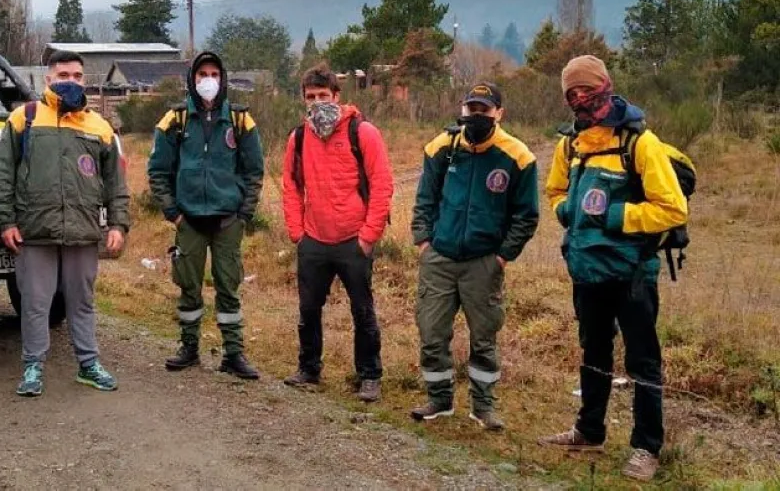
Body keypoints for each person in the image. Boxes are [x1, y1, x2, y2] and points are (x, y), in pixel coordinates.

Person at [538, 55, 688, 482]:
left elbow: (673, 209)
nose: (581, 99)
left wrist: (618, 217)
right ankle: (589, 431)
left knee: (643, 361)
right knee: (594, 352)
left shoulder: (640, 142)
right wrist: (567, 210)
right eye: (572, 93)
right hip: (586, 269)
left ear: (606, 84)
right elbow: (555, 190)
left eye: (587, 89)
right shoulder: (570, 143)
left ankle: (646, 448)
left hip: (633, 272)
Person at [0, 50, 131, 397]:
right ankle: (33, 366)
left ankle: (88, 365)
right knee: (36, 303)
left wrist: (117, 224)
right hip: (36, 232)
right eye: (64, 75)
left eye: (78, 76)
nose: (71, 82)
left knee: (82, 302)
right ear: (48, 78)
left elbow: (115, 183)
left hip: (82, 231)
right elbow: (2, 176)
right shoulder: (26, 119)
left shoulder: (98, 126)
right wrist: (5, 221)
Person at [408, 82, 539, 428]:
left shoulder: (518, 156)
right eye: (471, 109)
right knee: (431, 332)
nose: (476, 116)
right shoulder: (442, 147)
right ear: (463, 109)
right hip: (440, 259)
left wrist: (502, 256)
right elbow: (425, 199)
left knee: (484, 338)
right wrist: (424, 242)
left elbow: (526, 215)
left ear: (499, 113)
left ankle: (483, 406)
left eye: (484, 110)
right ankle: (439, 400)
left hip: (484, 262)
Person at [147, 52, 264, 379]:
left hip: (228, 221)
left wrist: (244, 213)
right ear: (192, 79)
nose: (208, 80)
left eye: (214, 73)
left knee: (229, 286)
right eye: (202, 74)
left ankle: (233, 354)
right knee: (189, 286)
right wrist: (173, 212)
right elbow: (158, 171)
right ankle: (189, 348)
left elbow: (255, 171)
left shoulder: (241, 120)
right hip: (189, 221)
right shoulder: (175, 118)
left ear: (223, 78)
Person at [280, 64, 394, 402]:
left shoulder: (363, 133)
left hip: (352, 240)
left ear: (337, 96)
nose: (318, 103)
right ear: (303, 100)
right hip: (313, 239)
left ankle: (370, 375)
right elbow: (290, 186)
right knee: (309, 309)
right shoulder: (299, 137)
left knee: (362, 311)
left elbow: (382, 184)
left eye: (323, 96)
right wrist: (297, 233)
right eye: (311, 98)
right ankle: (309, 368)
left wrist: (368, 236)